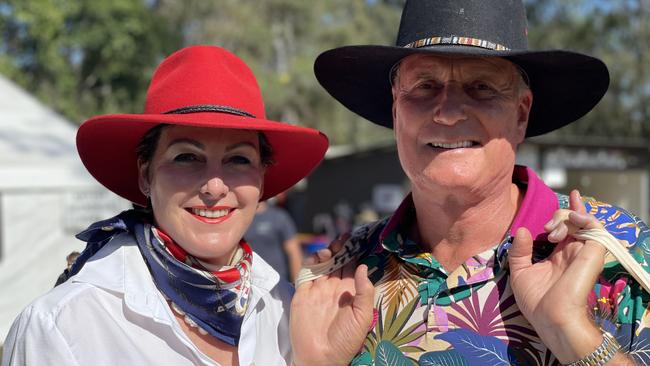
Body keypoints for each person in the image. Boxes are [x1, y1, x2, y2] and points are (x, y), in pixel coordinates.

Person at [290, 1, 650, 365]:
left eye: (482, 86)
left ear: (521, 113)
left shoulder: (618, 255)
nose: (447, 112)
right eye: (425, 85)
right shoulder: (342, 275)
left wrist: (573, 332)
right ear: (396, 109)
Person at [1, 45, 328, 366]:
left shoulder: (285, 310)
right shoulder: (65, 326)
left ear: (261, 179)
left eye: (238, 159)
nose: (214, 186)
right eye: (186, 157)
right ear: (146, 174)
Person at [245, 198, 302, 282]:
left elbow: (294, 253)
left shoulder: (279, 217)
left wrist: (297, 284)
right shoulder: (241, 219)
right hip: (250, 281)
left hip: (278, 282)